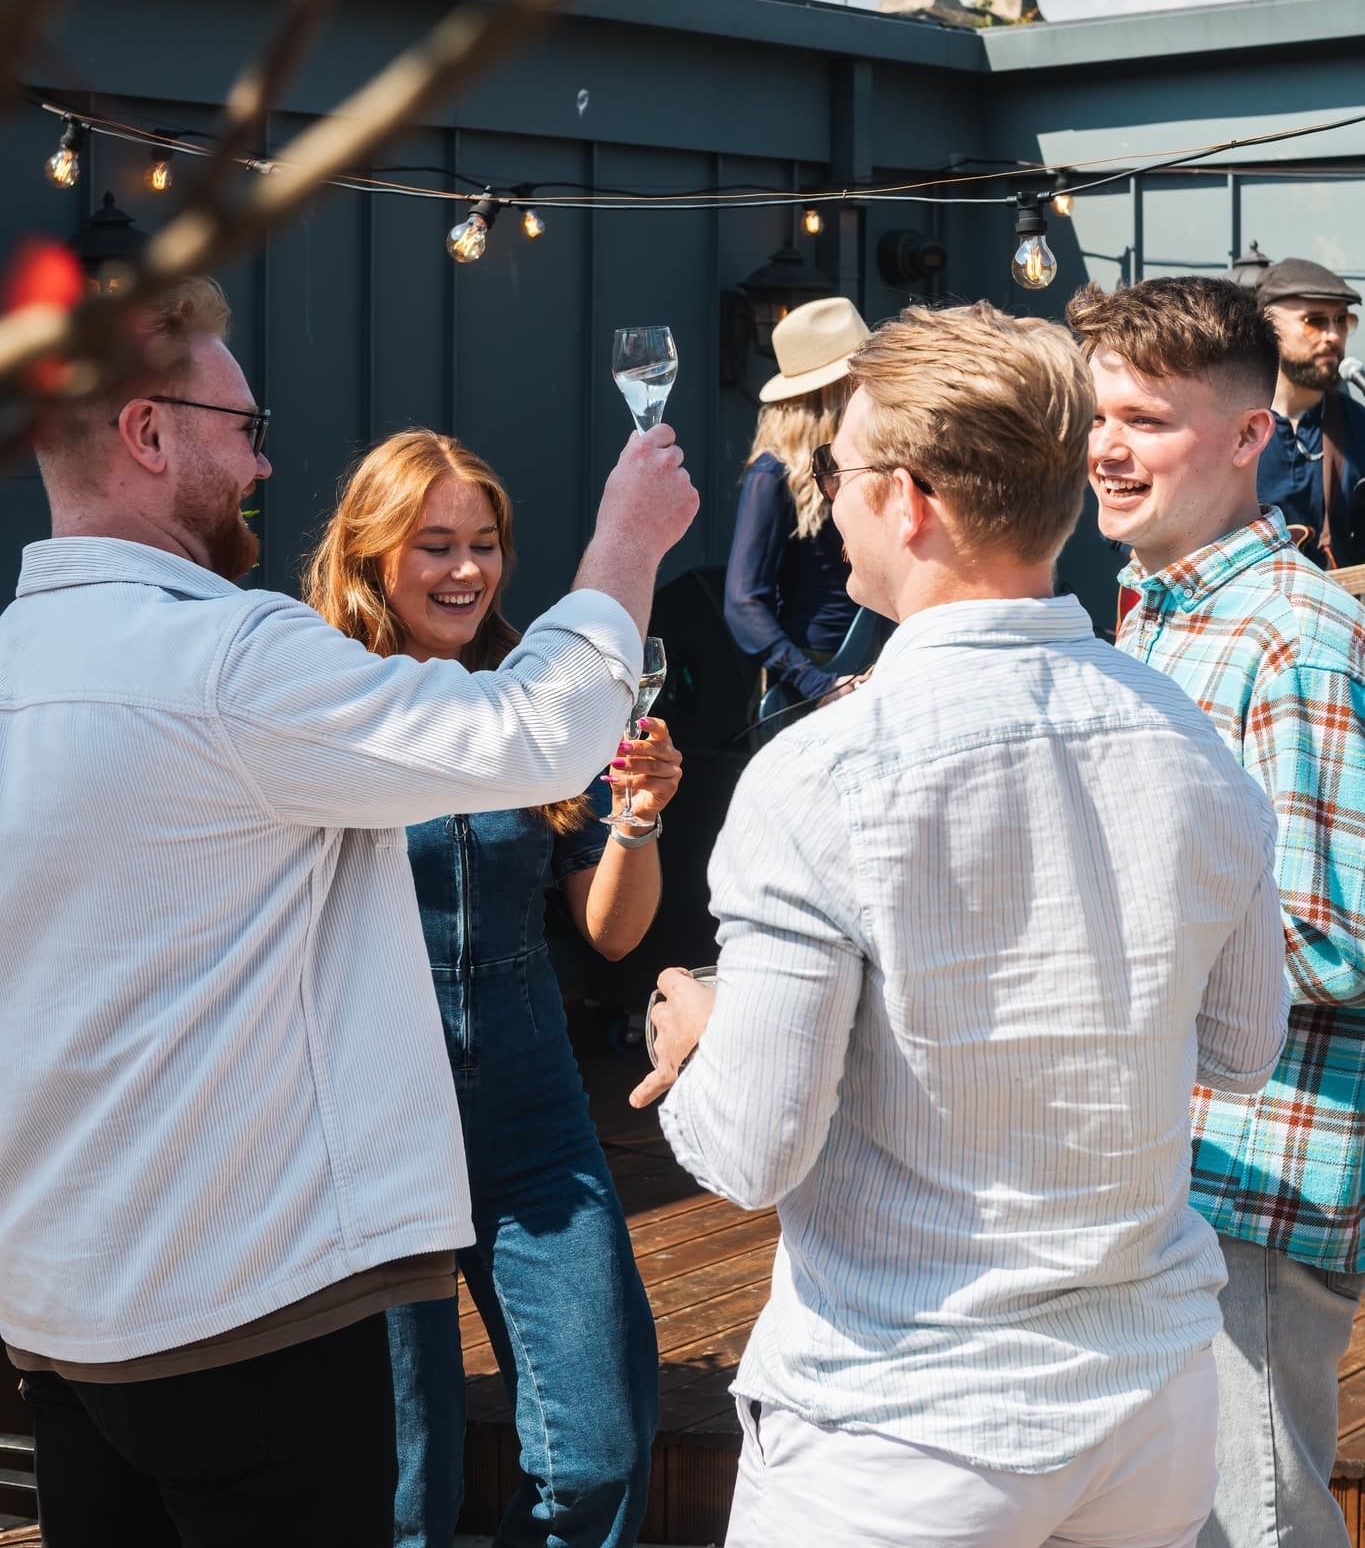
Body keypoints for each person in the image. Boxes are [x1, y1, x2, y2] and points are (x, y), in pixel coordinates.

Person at [0, 278, 697, 1548]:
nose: (264, 457)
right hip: (248, 1311)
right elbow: (539, 728)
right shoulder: (226, 657)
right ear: (150, 434)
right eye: (242, 423)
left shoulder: (20, 661)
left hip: (68, 1318)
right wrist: (627, 540)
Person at [636, 300, 1286, 1548]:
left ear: (911, 501)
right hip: (1147, 1402)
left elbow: (754, 1154)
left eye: (841, 471)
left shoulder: (825, 771)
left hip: (907, 1420)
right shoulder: (1189, 738)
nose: (828, 495)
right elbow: (1242, 1045)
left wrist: (701, 1036)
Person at [303, 430, 677, 1548]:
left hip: (531, 1106)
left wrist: (639, 819)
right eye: (435, 545)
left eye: (485, 543)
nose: (467, 570)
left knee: (602, 1445)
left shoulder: (538, 698)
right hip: (371, 1121)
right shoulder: (317, 703)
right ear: (373, 552)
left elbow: (610, 931)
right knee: (405, 1486)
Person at [1069, 273, 1365, 1548]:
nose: (1106, 447)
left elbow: (1333, 938)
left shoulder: (1294, 637)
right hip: (1164, 1158)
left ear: (1251, 435)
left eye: (1147, 418)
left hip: (1259, 1174)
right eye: (1100, 415)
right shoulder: (1153, 614)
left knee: (1260, 1519)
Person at [723, 296, 868, 707]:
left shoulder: (867, 459)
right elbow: (743, 602)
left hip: (878, 661)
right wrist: (815, 683)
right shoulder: (772, 474)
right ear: (839, 389)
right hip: (822, 670)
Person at [1254, 255, 1365, 568]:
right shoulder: (1222, 426)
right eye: (1315, 322)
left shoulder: (1357, 426)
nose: (1333, 335)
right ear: (1269, 328)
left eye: (1342, 320)